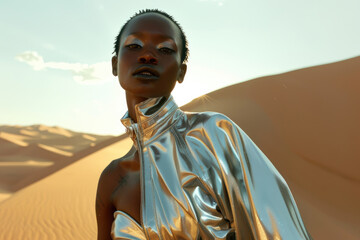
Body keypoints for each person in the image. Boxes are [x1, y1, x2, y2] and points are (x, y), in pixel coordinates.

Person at [96, 9, 312, 240]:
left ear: (181, 71)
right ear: (115, 64)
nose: (148, 55)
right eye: (134, 45)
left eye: (165, 49)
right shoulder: (111, 178)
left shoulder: (213, 135)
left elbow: (278, 230)